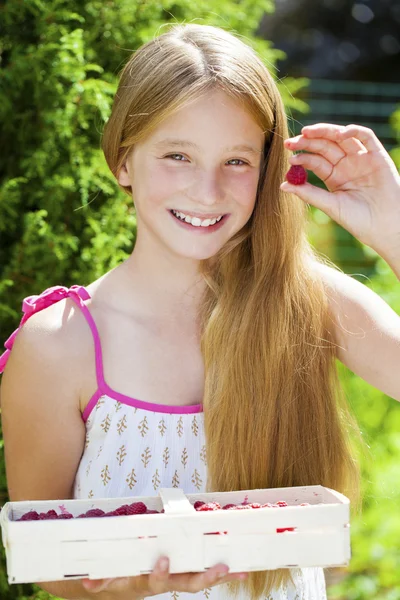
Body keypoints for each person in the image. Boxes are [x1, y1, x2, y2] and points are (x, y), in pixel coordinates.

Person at [1, 21, 400, 600]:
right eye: (178, 155)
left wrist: (394, 230)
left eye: (236, 162)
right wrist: (139, 581)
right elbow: (47, 565)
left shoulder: (306, 301)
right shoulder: (59, 345)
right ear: (123, 162)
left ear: (267, 171)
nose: (207, 191)